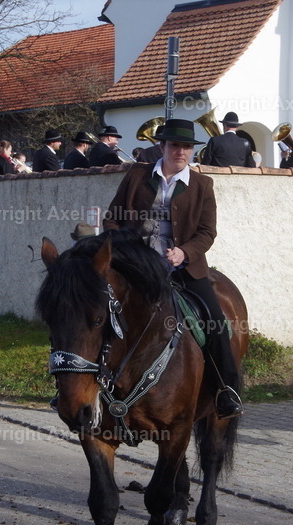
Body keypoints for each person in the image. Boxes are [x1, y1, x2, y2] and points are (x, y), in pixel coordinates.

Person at [103, 118, 243, 419]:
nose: (182, 151)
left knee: (215, 321)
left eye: (188, 146)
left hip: (182, 268)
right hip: (136, 267)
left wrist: (184, 252)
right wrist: (128, 249)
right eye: (176, 145)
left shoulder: (202, 184)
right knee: (93, 309)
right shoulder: (138, 175)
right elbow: (112, 219)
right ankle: (82, 385)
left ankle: (226, 391)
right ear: (162, 146)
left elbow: (207, 232)